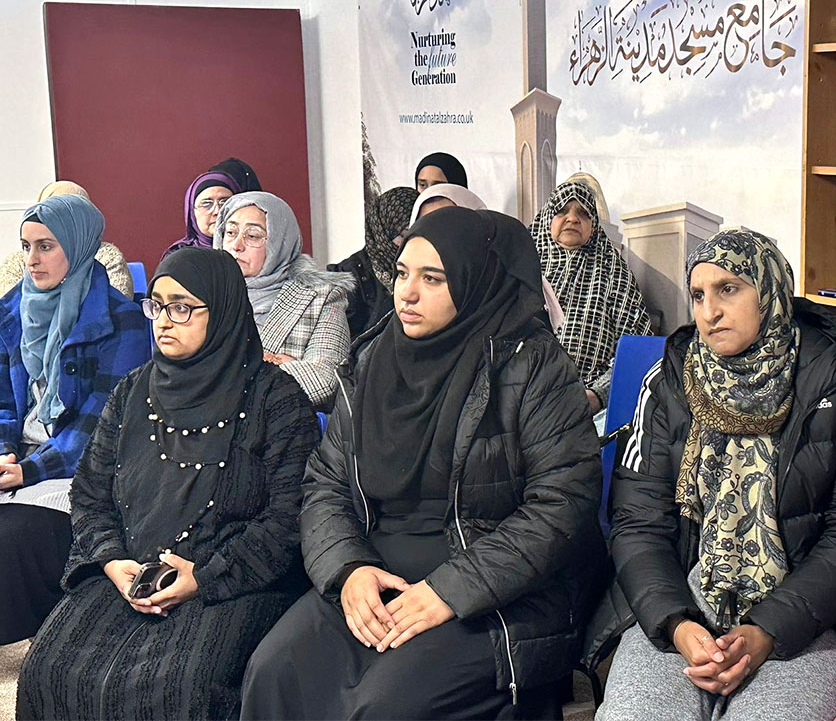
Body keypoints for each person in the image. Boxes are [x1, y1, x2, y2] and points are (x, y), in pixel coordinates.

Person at [240, 207, 605, 720]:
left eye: (432, 278)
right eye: (403, 273)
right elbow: (326, 484)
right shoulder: (374, 360)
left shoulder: (534, 365)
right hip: (377, 569)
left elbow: (563, 504)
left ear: (476, 281)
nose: (406, 293)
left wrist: (451, 590)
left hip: (494, 590)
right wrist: (349, 570)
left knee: (384, 706)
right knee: (274, 672)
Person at [598, 228, 836, 721]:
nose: (709, 312)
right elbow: (637, 523)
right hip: (682, 602)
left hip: (807, 618)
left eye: (729, 289)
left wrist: (768, 631)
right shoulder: (668, 382)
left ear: (771, 290)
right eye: (698, 295)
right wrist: (675, 623)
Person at [16, 248, 320, 720]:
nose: (164, 321)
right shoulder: (134, 389)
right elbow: (90, 493)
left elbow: (289, 519)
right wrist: (112, 561)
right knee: (51, 670)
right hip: (130, 571)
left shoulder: (276, 400)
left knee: (181, 685)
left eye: (182, 307)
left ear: (220, 312)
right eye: (156, 305)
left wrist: (204, 577)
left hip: (233, 578)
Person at [0, 195, 150, 647]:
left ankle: (45, 633)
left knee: (18, 531)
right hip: (21, 454)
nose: (31, 260)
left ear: (77, 246)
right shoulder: (12, 312)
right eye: (25, 246)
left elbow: (101, 424)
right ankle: (4, 636)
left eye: (46, 246)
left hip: (81, 463)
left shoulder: (123, 318)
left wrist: (28, 471)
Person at [214, 191, 352, 411]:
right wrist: (271, 368)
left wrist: (230, 376)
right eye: (230, 232)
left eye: (252, 236)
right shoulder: (205, 294)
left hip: (281, 432)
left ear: (279, 243)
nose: (236, 245)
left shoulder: (321, 298)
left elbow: (324, 380)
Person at [530, 181, 652, 413]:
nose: (572, 219)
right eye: (562, 211)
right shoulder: (523, 267)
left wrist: (597, 395)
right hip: (523, 401)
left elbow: (636, 349)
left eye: (583, 214)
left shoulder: (614, 274)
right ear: (548, 220)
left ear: (593, 225)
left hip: (588, 407)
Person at [411, 183, 564, 331]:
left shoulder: (517, 309)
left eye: (448, 224)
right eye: (425, 225)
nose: (434, 235)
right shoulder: (405, 312)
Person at [0, 181, 133, 300]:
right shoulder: (17, 263)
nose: (32, 260)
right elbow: (4, 319)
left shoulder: (106, 257)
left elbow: (115, 306)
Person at [328, 186, 418, 339]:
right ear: (382, 232)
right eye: (404, 235)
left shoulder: (426, 270)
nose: (411, 243)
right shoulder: (347, 278)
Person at [163, 157, 262, 259]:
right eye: (207, 204)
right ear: (192, 213)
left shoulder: (252, 253)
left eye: (225, 202)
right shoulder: (178, 259)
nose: (217, 211)